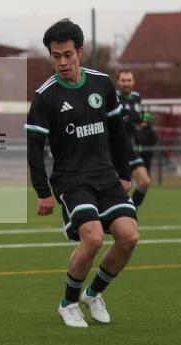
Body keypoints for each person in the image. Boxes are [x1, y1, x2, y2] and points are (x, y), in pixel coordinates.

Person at [24, 19, 139, 328]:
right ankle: (68, 303)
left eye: (67, 55)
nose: (62, 62)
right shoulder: (45, 96)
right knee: (93, 238)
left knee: (129, 237)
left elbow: (118, 132)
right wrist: (43, 191)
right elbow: (34, 147)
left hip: (106, 175)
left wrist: (125, 172)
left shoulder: (102, 84)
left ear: (80, 52)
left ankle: (94, 293)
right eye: (55, 55)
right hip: (71, 178)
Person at [116, 70, 151, 209]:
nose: (126, 83)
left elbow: (137, 118)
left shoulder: (137, 97)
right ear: (118, 82)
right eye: (123, 80)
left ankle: (131, 209)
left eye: (129, 80)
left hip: (130, 149)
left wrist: (143, 120)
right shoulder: (114, 97)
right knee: (119, 188)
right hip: (114, 150)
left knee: (144, 181)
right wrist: (137, 118)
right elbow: (120, 120)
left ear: (133, 82)